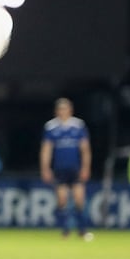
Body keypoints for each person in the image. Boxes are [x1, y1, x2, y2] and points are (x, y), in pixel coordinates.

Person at [40, 98, 92, 240]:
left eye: (65, 109)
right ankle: (65, 231)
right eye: (60, 109)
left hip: (75, 168)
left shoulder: (78, 126)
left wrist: (86, 167)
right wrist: (45, 168)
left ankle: (82, 230)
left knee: (79, 199)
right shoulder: (51, 127)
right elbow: (46, 149)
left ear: (70, 110)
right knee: (62, 200)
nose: (63, 112)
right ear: (56, 111)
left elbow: (85, 149)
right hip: (59, 169)